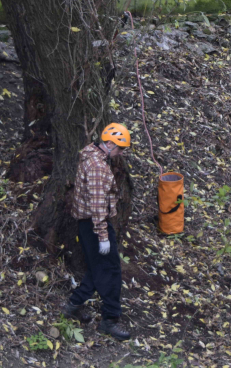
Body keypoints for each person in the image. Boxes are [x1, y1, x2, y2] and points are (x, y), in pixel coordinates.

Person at [62, 123, 132, 340]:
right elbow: (98, 205)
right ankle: (110, 320)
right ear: (109, 144)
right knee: (111, 271)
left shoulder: (90, 153)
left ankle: (73, 305)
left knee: (97, 268)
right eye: (120, 148)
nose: (121, 153)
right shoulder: (98, 168)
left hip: (89, 225)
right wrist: (103, 236)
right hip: (95, 226)